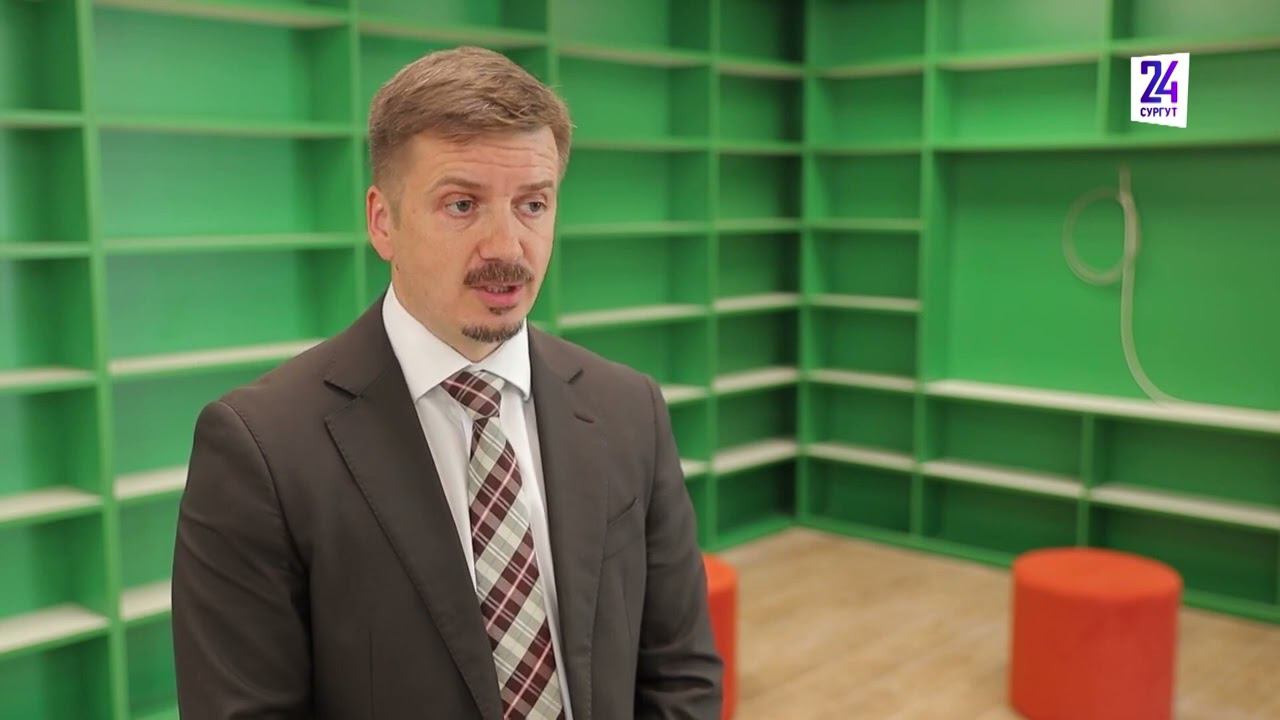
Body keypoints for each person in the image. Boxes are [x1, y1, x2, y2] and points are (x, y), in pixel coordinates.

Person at [170, 45, 722, 719]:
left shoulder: (629, 407)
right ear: (383, 221)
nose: (507, 247)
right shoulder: (259, 449)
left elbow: (680, 671)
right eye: (462, 204)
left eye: (533, 204)